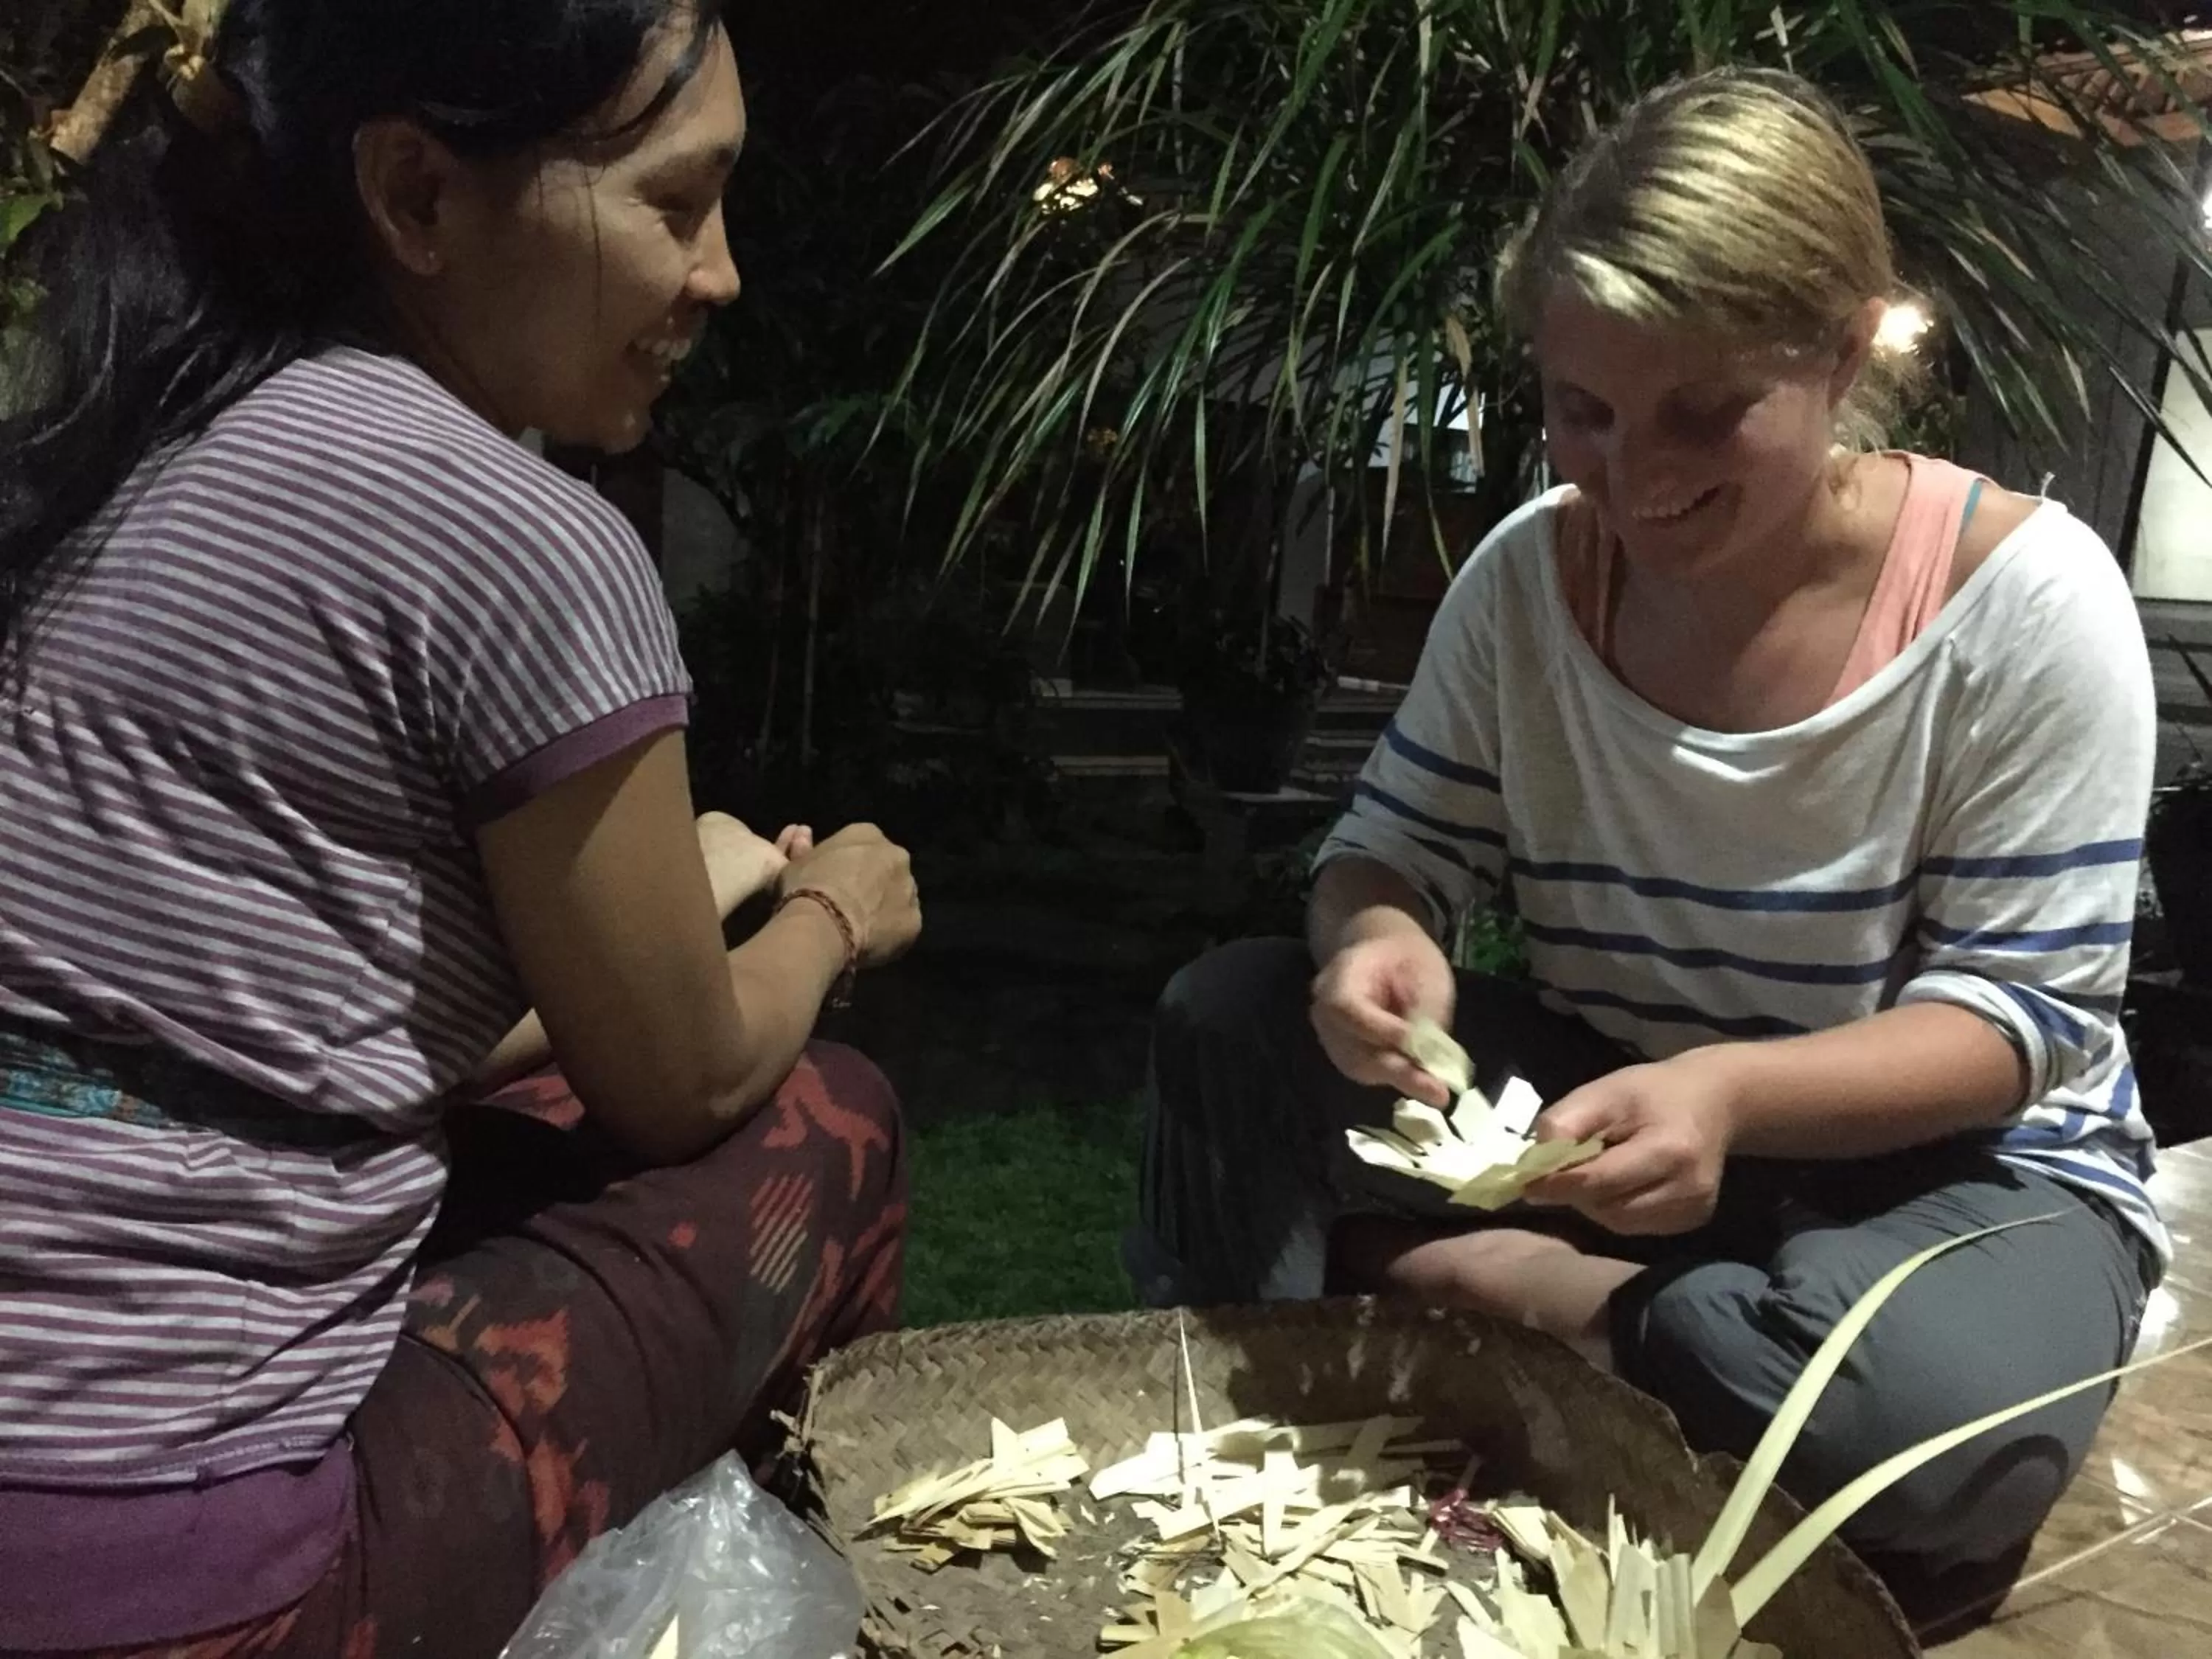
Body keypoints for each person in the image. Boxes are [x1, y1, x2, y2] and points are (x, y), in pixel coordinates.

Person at [1134, 67, 2161, 1594]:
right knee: (1230, 1016)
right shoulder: (1529, 582)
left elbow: (2018, 1023)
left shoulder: (2025, 604)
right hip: (1616, 1114)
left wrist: (1732, 1097)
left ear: (1846, 342)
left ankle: (1529, 1316)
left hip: (1951, 1168)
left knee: (1942, 1433)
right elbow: (1390, 846)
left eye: (1705, 410)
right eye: (1582, 411)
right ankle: (1606, 1345)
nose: (1634, 476)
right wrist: (1380, 935)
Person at [0, 4, 918, 1655]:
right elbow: (684, 1082)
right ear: (418, 196)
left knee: (534, 1106)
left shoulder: (122, 463)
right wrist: (837, 912)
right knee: (827, 1123)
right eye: (674, 201)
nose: (717, 275)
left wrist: (695, 885)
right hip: (178, 1585)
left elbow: (272, 1025)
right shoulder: (521, 537)